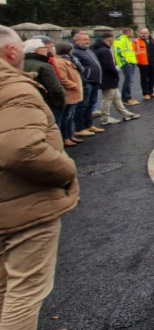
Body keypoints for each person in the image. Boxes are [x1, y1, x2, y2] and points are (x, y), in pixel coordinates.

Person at [0, 24, 80, 328]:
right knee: (25, 292)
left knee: (5, 288)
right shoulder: (13, 88)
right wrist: (66, 170)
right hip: (23, 208)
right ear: (11, 51)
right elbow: (22, 150)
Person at [91, 33, 139, 125]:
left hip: (107, 77)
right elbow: (108, 66)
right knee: (107, 98)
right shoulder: (104, 51)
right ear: (109, 40)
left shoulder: (97, 49)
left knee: (117, 97)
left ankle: (126, 114)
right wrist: (115, 74)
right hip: (107, 78)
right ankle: (105, 119)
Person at [22, 38, 66, 129]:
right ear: (37, 50)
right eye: (44, 47)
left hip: (28, 102)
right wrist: (61, 102)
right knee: (53, 128)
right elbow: (54, 87)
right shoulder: (44, 65)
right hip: (48, 103)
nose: (47, 49)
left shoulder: (19, 63)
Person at [71, 31, 104, 137]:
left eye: (88, 39)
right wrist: (87, 75)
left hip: (94, 81)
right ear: (76, 41)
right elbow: (78, 67)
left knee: (90, 105)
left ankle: (88, 125)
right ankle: (79, 128)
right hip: (86, 82)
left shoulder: (87, 50)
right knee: (82, 106)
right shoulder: (75, 52)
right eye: (85, 39)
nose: (88, 41)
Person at [52, 42, 85, 147]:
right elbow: (62, 78)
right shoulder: (60, 62)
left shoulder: (68, 59)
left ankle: (70, 135)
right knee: (65, 117)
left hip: (73, 92)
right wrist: (75, 85)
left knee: (70, 116)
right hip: (69, 92)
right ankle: (65, 138)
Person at [133, 28, 154, 100]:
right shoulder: (136, 42)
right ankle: (146, 93)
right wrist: (136, 61)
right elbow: (133, 52)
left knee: (152, 77)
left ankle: (151, 91)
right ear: (139, 34)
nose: (143, 35)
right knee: (144, 78)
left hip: (153, 61)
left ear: (148, 33)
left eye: (145, 33)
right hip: (142, 63)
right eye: (142, 33)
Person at [114, 28, 140, 106]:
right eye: (132, 32)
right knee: (128, 80)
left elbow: (128, 51)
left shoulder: (126, 39)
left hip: (130, 62)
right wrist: (125, 62)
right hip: (127, 63)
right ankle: (126, 98)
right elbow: (119, 52)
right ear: (128, 32)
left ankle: (128, 97)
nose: (133, 34)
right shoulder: (121, 40)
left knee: (130, 81)